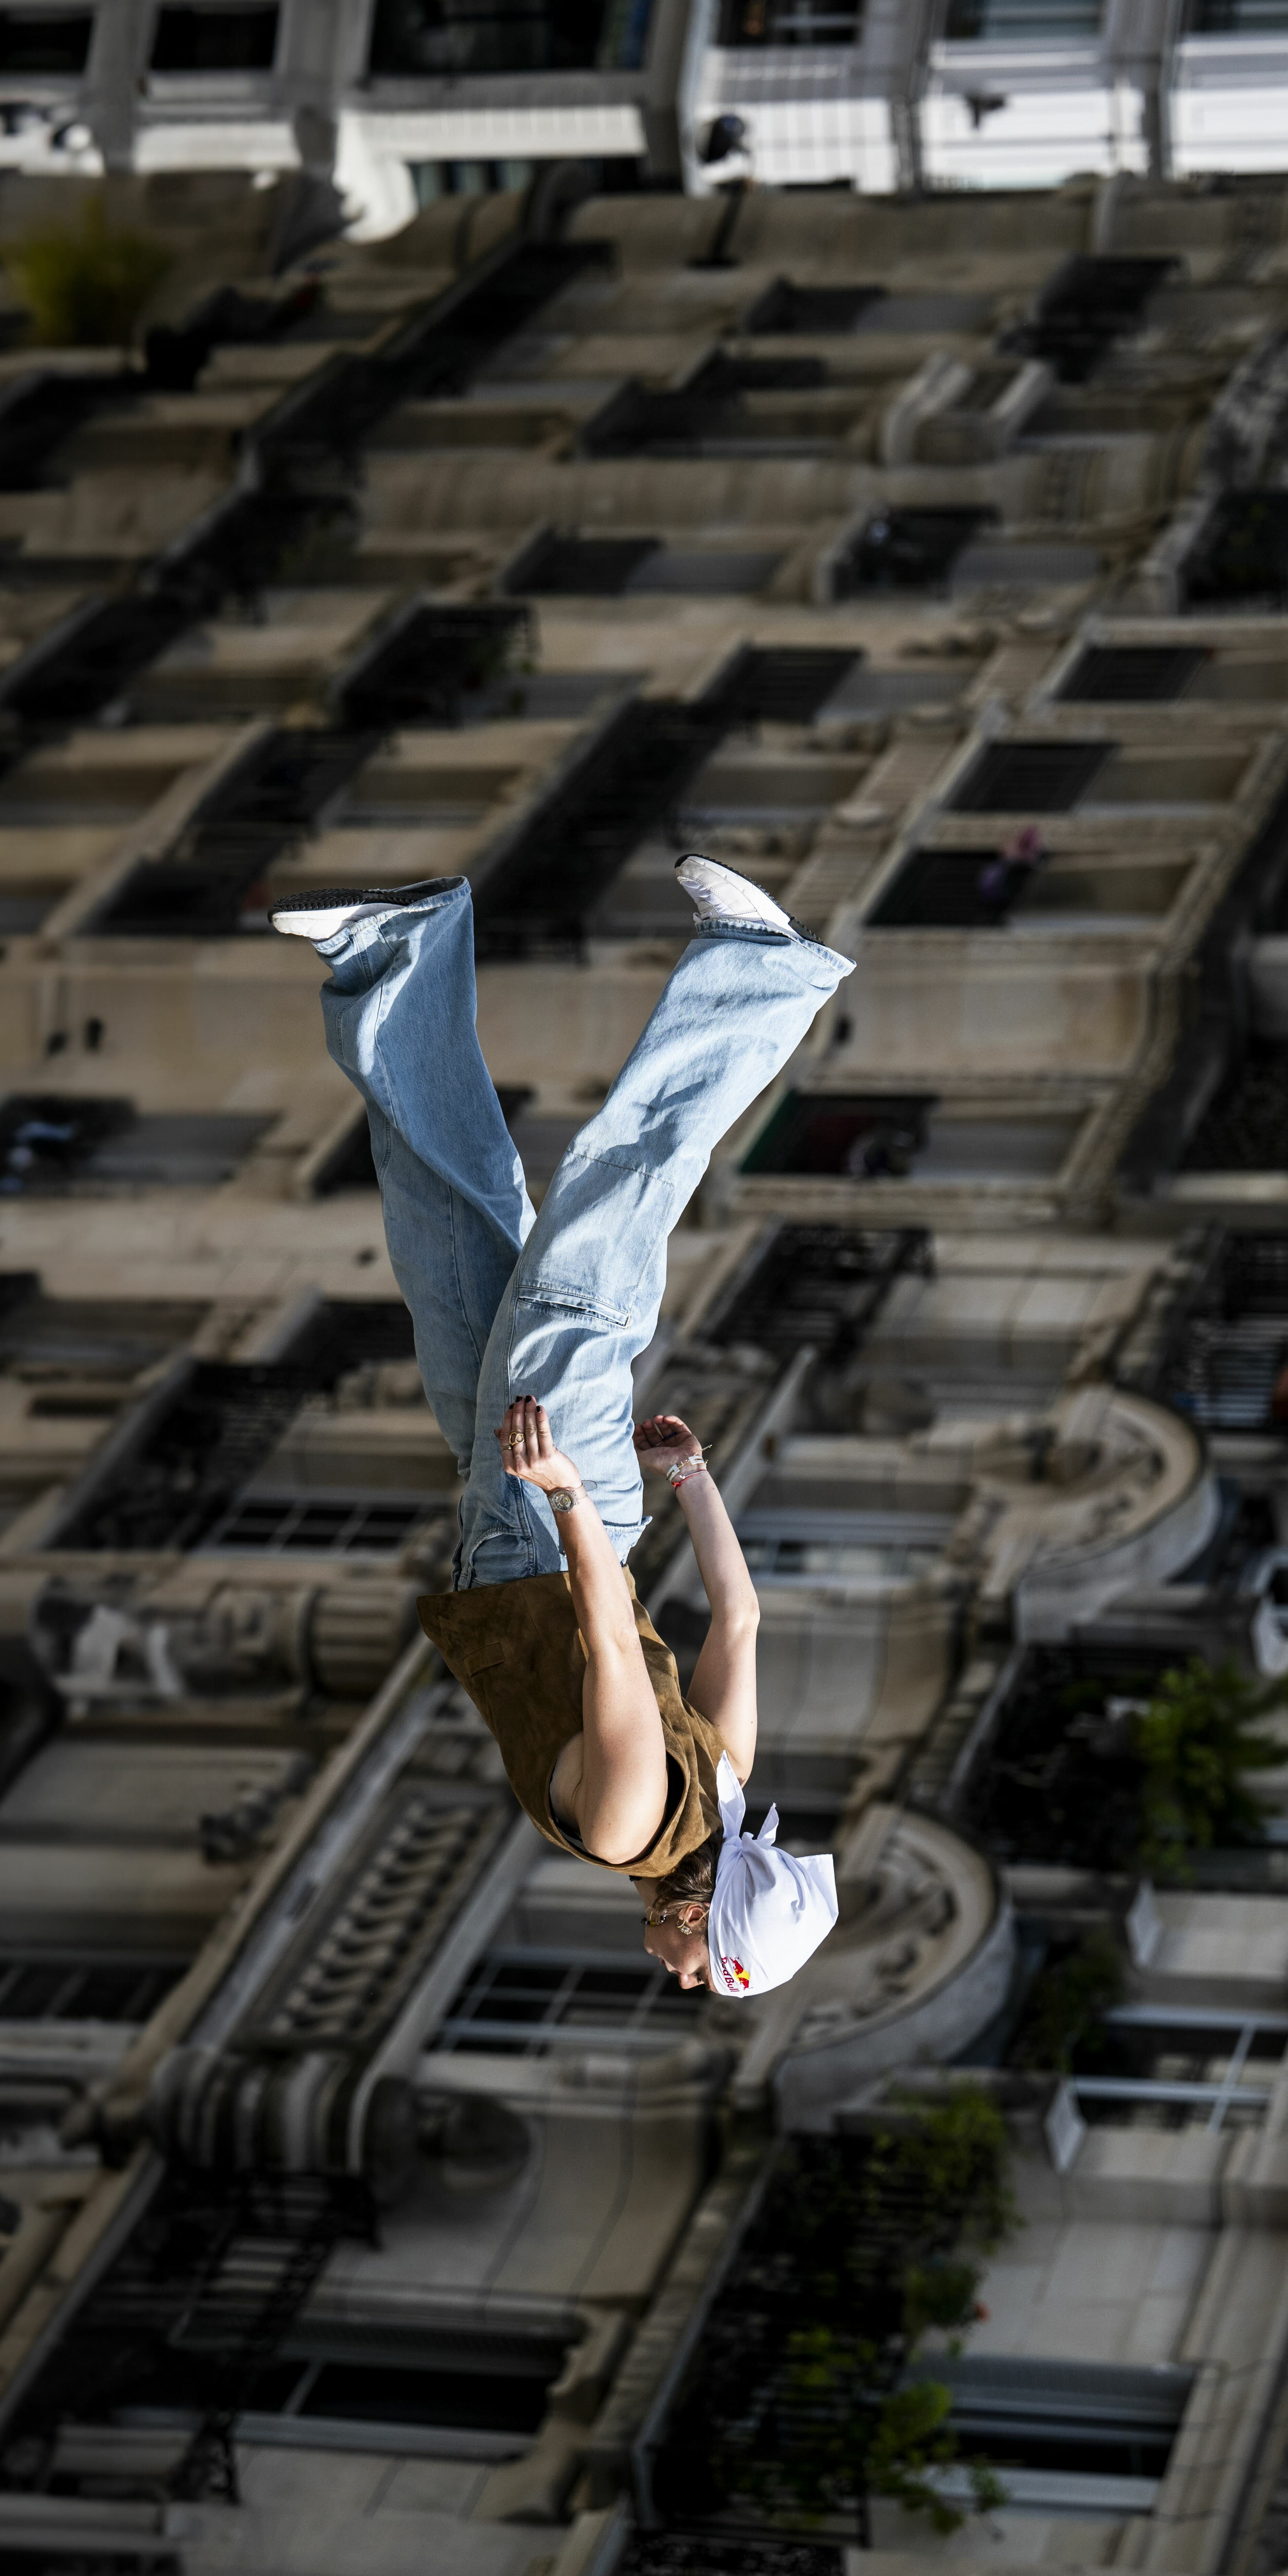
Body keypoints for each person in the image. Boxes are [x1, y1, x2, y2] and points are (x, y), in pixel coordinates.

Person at [270, 854, 848, 2001]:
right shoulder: (632, 1829)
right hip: (548, 1507)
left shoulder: (727, 1788)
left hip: (542, 1511)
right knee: (601, 1231)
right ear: (701, 1917)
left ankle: (398, 950)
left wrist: (692, 1480)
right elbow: (608, 1645)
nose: (683, 1980)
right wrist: (569, 1490)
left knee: (450, 1225)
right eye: (707, 1971)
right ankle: (761, 976)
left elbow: (740, 1617)